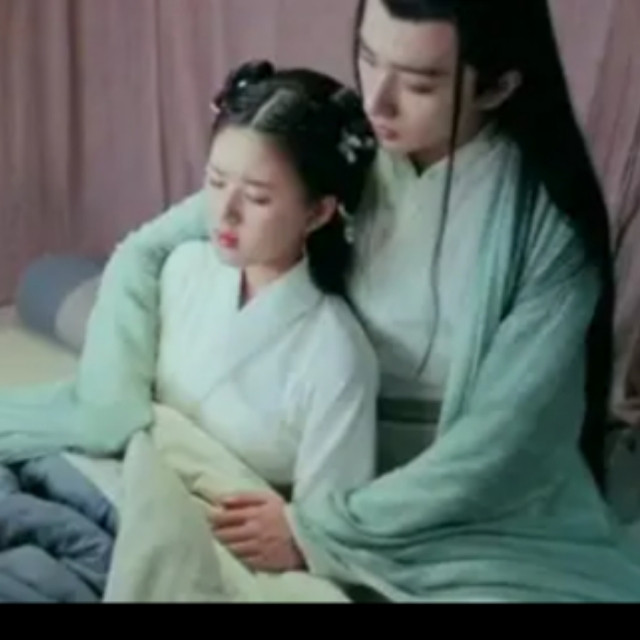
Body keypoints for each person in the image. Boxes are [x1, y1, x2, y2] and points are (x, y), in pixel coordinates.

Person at [4, 0, 640, 602]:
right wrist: (107, 408)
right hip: (279, 429)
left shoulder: (546, 232)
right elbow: (149, 247)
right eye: (368, 57)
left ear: (497, 87)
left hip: (449, 505)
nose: (377, 100)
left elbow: (498, 447)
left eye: (418, 83)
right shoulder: (346, 146)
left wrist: (320, 528)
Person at [157, 63, 379, 520]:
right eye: (216, 182)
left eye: (257, 197)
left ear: (318, 212)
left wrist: (295, 531)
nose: (226, 212)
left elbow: (326, 522)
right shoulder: (181, 270)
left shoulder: (336, 353)